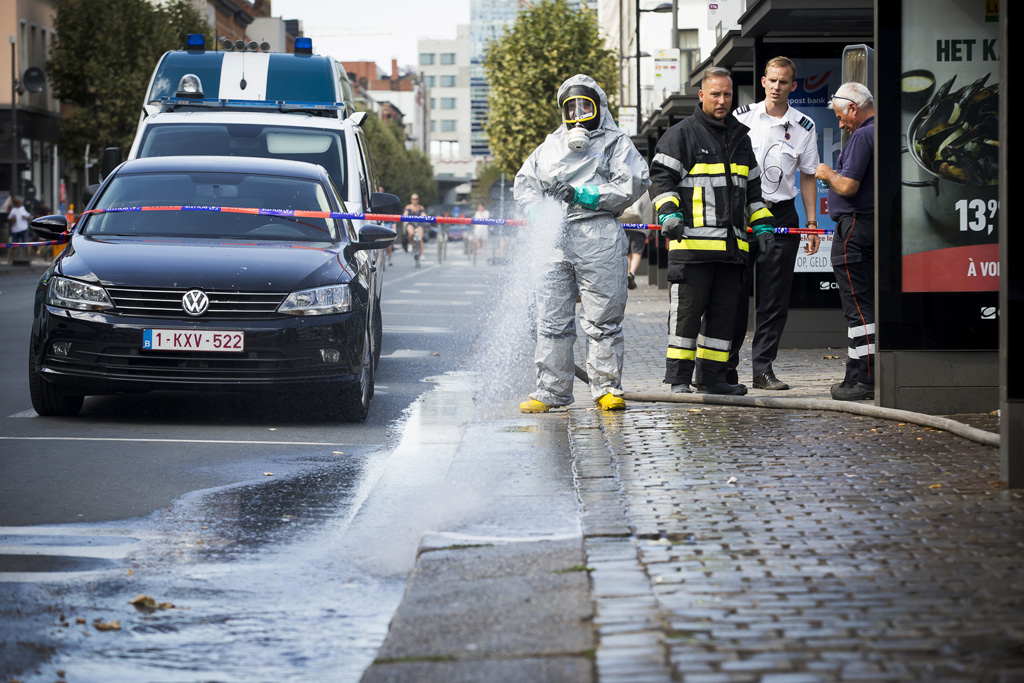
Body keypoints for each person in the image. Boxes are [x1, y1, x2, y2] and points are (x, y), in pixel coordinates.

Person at [514, 74, 650, 413]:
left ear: (597, 108)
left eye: (583, 106)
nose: (576, 114)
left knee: (602, 316)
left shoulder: (615, 142)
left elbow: (633, 180)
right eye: (570, 107)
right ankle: (551, 390)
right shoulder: (550, 145)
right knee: (551, 318)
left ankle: (606, 388)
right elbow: (524, 183)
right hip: (554, 236)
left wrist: (586, 195)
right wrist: (538, 211)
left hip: (597, 233)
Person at [650, 67, 775, 396]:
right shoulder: (681, 135)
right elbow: (662, 181)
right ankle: (678, 379)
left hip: (732, 252)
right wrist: (669, 213)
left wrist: (762, 225)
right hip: (691, 249)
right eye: (716, 94)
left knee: (723, 321)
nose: (722, 100)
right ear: (701, 95)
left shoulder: (741, 137)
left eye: (728, 95)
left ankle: (712, 378)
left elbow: (753, 191)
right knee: (686, 319)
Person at [729, 56, 821, 391]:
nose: (776, 87)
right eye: (772, 80)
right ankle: (724, 367)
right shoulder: (742, 118)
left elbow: (809, 177)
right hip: (743, 215)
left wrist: (811, 223)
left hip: (782, 215)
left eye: (784, 82)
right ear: (763, 82)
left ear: (792, 86)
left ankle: (763, 369)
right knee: (732, 294)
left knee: (774, 298)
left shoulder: (803, 126)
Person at [814, 82, 875, 401]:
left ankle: (865, 377)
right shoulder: (880, 131)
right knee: (862, 307)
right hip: (870, 227)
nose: (840, 123)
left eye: (840, 116)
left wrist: (826, 174)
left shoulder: (863, 135)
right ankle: (855, 373)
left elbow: (848, 186)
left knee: (858, 308)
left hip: (854, 228)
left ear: (853, 108)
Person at [618, 192, 653, 290]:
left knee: (627, 252)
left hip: (624, 223)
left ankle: (628, 273)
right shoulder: (646, 190)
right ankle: (632, 273)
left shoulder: (624, 183)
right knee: (637, 251)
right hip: (640, 226)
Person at [403, 193, 426, 267]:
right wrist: (405, 216)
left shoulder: (421, 207)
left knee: (421, 237)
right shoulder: (408, 207)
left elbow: (423, 214)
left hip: (419, 223)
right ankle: (410, 244)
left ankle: (422, 254)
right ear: (411, 200)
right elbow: (405, 214)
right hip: (411, 223)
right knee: (411, 233)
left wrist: (425, 217)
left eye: (416, 199)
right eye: (413, 199)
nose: (415, 200)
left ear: (418, 200)